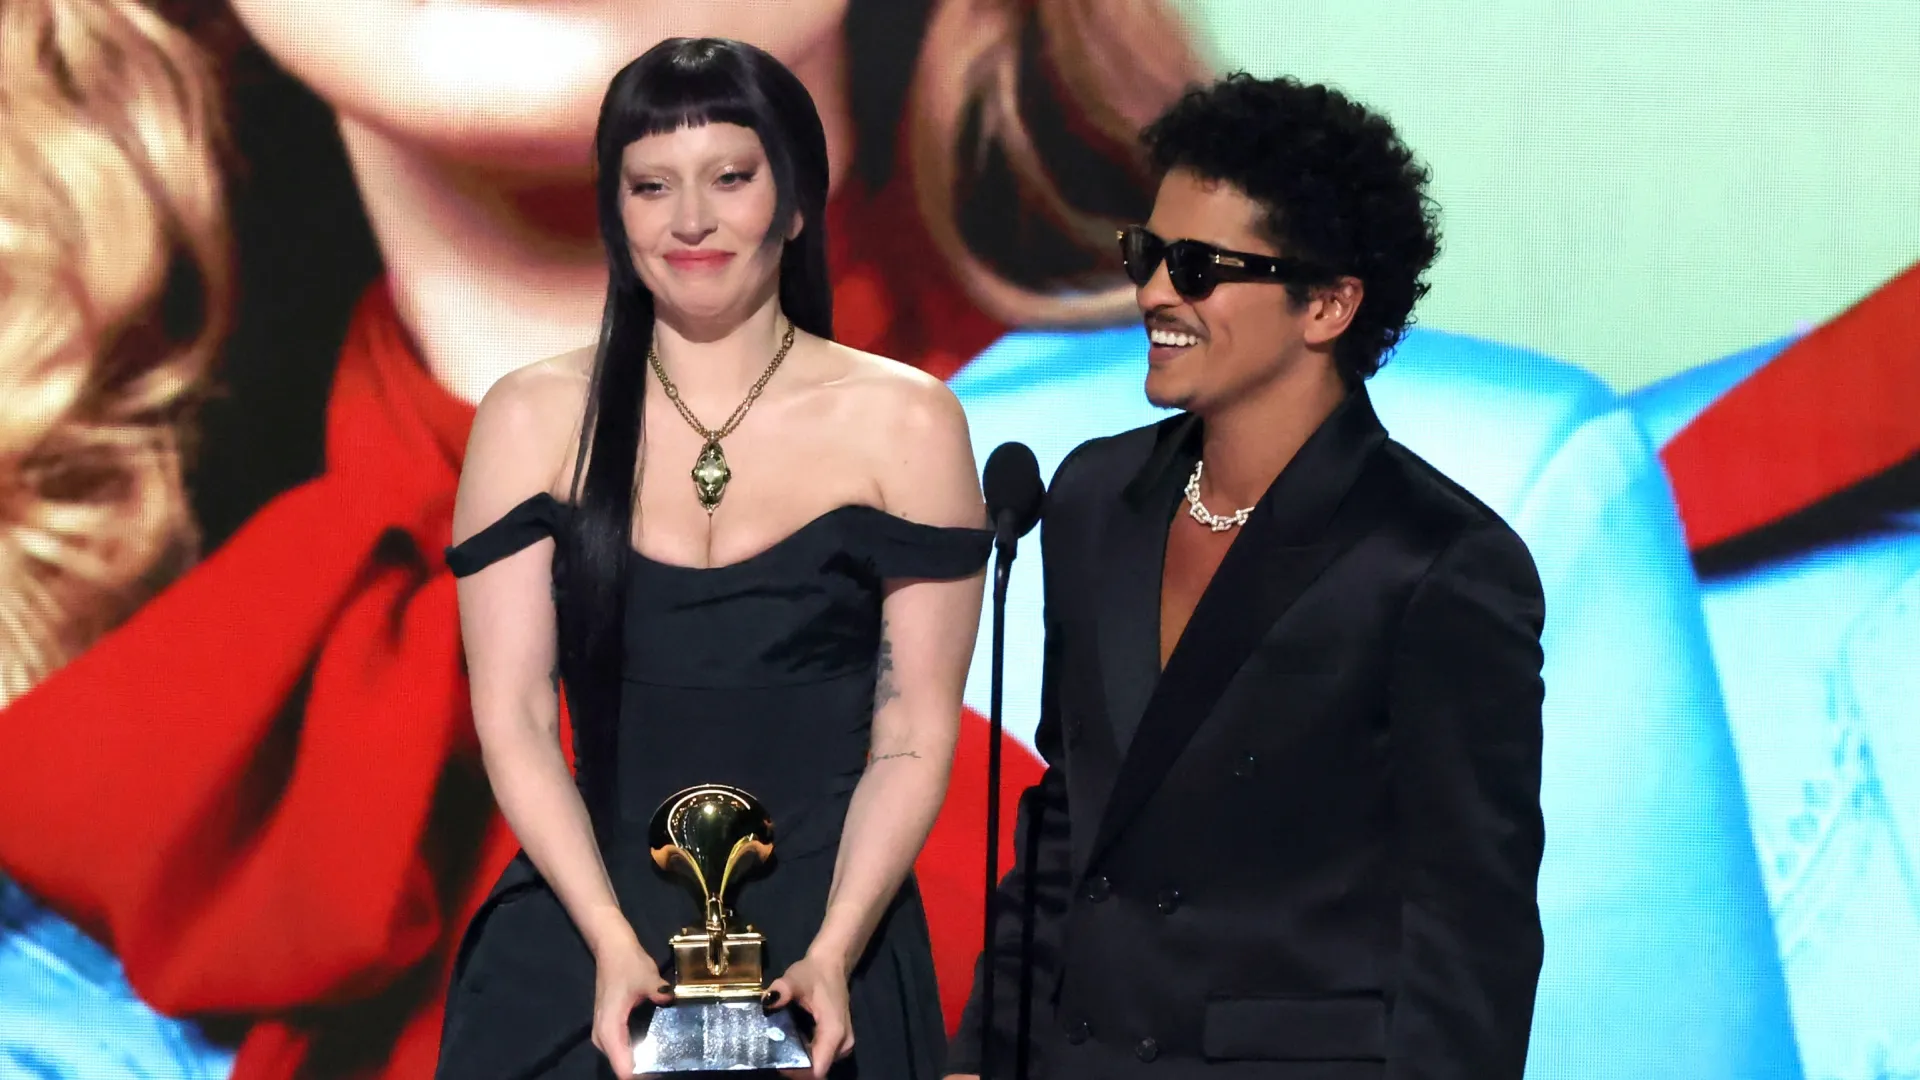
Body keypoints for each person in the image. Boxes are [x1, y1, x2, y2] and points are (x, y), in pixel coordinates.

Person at [948, 74, 1545, 1078]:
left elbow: (1469, 935)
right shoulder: (1096, 497)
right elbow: (1069, 826)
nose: (1151, 293)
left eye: (1198, 267)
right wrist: (983, 1053)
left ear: (1328, 304)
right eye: (1147, 255)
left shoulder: (1435, 559)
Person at [434, 38, 989, 1080]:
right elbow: (510, 714)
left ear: (793, 201)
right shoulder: (530, 416)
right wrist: (606, 936)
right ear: (617, 211)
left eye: (730, 178)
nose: (690, 220)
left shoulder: (905, 422)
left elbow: (913, 725)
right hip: (580, 949)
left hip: (828, 961)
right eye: (651, 186)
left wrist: (835, 948)